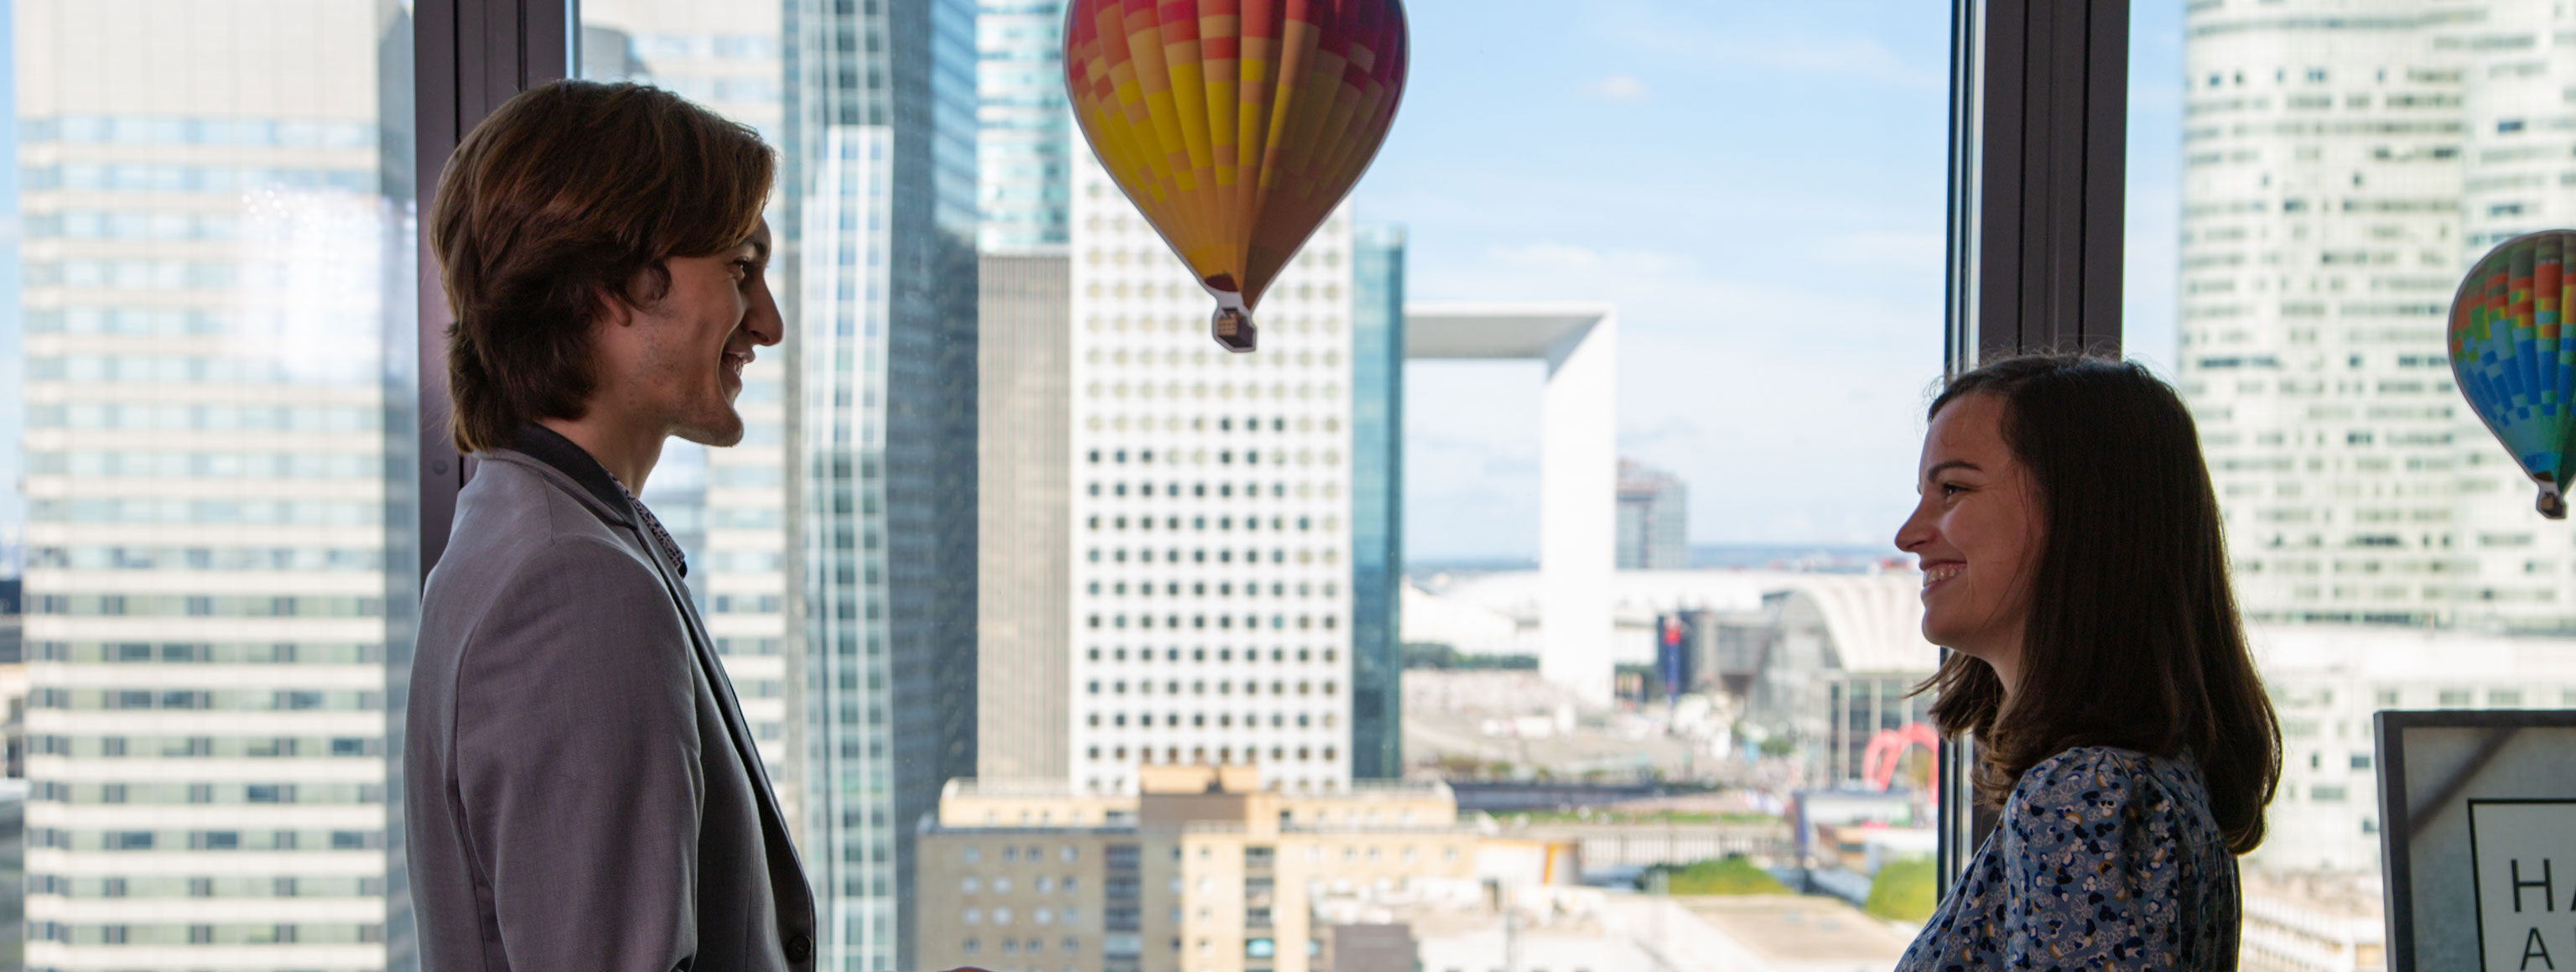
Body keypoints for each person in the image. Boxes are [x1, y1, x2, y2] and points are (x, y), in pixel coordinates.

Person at [402, 80, 813, 969]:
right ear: (612, 282)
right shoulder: (571, 585)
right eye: (741, 268)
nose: (769, 323)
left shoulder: (527, 533)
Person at [1893, 354, 2281, 971]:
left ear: (2080, 513)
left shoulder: (2086, 796)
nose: (1909, 533)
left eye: (1954, 489)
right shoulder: (2147, 780)